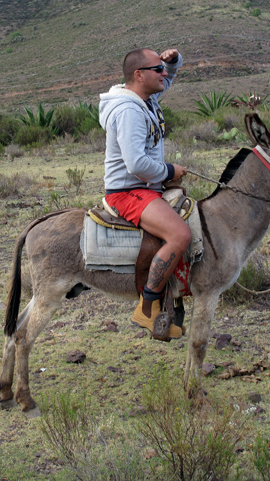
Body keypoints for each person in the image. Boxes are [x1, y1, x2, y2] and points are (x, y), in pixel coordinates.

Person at [98, 48, 191, 339]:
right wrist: (169, 170)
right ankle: (147, 306)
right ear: (139, 75)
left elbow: (168, 78)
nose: (164, 74)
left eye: (164, 68)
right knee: (180, 236)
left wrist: (172, 62)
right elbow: (136, 164)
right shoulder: (128, 111)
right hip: (129, 191)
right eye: (158, 69)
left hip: (145, 187)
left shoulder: (143, 98)